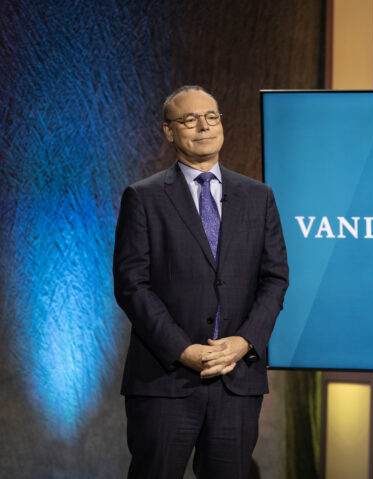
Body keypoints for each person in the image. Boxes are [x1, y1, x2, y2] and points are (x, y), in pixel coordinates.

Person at [113, 85, 289, 478]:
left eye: (211, 117)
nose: (203, 126)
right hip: (165, 379)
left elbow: (275, 278)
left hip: (236, 379)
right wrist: (182, 350)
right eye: (189, 119)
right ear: (168, 131)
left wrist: (243, 342)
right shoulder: (143, 198)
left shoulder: (258, 197)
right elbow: (132, 286)